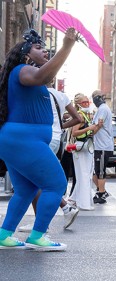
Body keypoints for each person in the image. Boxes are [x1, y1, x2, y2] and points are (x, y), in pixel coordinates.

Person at [0, 28, 77, 251]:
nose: (44, 50)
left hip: (20, 140)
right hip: (23, 140)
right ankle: (38, 236)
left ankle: (5, 235)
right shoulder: (22, 70)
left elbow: (46, 75)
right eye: (38, 47)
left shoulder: (25, 73)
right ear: (25, 53)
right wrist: (67, 46)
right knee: (56, 184)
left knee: (26, 190)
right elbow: (43, 75)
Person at [69, 93, 101, 211]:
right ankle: (83, 203)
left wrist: (97, 127)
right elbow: (74, 132)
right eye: (84, 103)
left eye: (88, 102)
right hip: (81, 148)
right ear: (78, 105)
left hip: (86, 147)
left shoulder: (85, 116)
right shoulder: (80, 116)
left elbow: (90, 133)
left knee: (85, 174)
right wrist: (90, 128)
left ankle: (74, 199)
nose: (87, 104)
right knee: (84, 175)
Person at [90, 90, 113, 204]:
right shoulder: (101, 109)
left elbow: (99, 124)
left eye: (95, 97)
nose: (94, 100)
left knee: (100, 171)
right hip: (99, 145)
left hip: (103, 145)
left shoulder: (103, 109)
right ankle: (101, 190)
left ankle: (101, 194)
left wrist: (91, 133)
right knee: (95, 171)